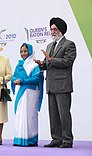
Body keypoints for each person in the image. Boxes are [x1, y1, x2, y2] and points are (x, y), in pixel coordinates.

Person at [34, 17, 76, 148]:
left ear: (61, 30)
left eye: (55, 29)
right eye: (51, 29)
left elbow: (67, 62)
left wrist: (51, 60)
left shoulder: (69, 44)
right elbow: (48, 63)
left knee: (64, 114)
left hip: (63, 85)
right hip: (51, 85)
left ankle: (67, 140)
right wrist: (42, 64)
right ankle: (56, 139)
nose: (52, 31)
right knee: (53, 114)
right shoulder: (49, 45)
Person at [11, 43, 44, 147]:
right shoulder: (19, 65)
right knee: (20, 115)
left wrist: (22, 81)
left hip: (31, 93)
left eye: (25, 51)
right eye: (21, 51)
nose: (23, 53)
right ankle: (19, 139)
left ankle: (31, 140)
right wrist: (15, 80)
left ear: (30, 51)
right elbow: (13, 78)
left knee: (30, 116)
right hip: (20, 93)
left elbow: (37, 79)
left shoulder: (35, 64)